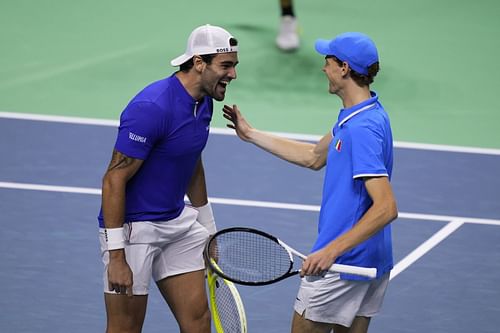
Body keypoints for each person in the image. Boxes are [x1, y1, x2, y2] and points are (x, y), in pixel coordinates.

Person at [223, 32, 397, 333]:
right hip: (371, 260)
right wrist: (250, 134)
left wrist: (331, 251)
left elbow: (386, 208)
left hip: (344, 263)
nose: (322, 69)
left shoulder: (361, 129)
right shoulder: (363, 114)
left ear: (344, 68)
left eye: (327, 61)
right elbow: (314, 156)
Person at [97, 24, 239, 333]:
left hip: (177, 224)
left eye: (234, 66)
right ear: (199, 63)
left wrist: (208, 229)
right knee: (125, 327)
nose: (233, 74)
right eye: (226, 66)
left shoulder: (204, 103)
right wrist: (117, 256)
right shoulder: (152, 107)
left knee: (199, 323)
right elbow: (113, 179)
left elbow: (192, 159)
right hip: (136, 230)